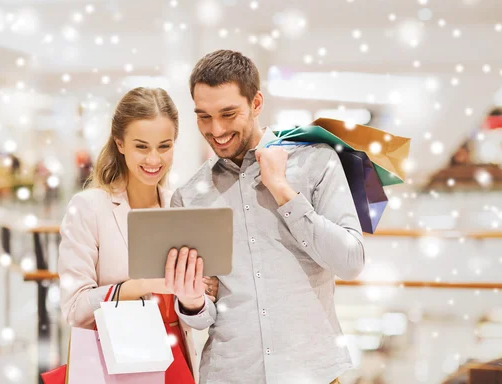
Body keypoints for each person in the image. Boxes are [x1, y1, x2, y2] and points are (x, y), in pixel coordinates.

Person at [169, 50, 366, 384]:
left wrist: (283, 191)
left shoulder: (316, 162)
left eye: (228, 114)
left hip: (311, 372)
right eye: (204, 116)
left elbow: (350, 261)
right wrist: (191, 301)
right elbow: (200, 319)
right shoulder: (190, 196)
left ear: (256, 103)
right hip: (229, 373)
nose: (216, 129)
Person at [57, 87, 218, 383]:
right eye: (141, 146)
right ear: (120, 143)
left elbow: (200, 314)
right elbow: (74, 309)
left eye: (164, 146)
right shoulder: (89, 208)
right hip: (118, 364)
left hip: (176, 360)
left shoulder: (180, 206)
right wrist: (141, 284)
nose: (154, 159)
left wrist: (193, 296)